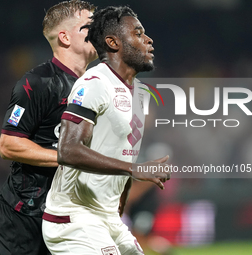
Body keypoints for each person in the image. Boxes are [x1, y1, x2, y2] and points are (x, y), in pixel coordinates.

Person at [42, 6, 170, 254]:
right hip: (73, 218)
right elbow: (67, 151)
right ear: (113, 43)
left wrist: (123, 196)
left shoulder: (141, 94)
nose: (148, 40)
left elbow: (123, 149)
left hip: (108, 218)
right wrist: (135, 170)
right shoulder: (93, 84)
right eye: (138, 33)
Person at [0, 1, 97, 254]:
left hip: (67, 214)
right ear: (65, 37)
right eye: (89, 26)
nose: (98, 31)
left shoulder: (95, 85)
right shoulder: (38, 82)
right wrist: (70, 158)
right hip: (24, 219)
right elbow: (9, 145)